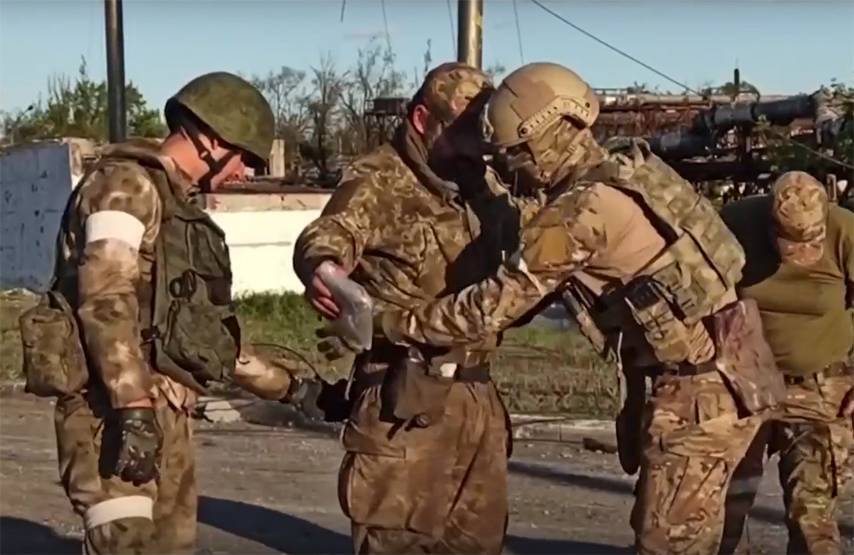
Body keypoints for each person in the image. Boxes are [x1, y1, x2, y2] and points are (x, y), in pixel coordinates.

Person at [373, 62, 785, 554]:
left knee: (668, 545)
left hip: (697, 398)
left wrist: (391, 323)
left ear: (538, 141)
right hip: (742, 372)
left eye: (514, 154)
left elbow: (491, 306)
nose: (510, 168)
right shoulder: (634, 167)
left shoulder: (579, 213)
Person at [19, 72, 316, 555]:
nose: (246, 173)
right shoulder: (124, 187)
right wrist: (133, 409)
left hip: (164, 416)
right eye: (245, 157)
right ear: (213, 139)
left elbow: (200, 338)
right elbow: (106, 298)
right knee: (128, 547)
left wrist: (292, 388)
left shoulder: (177, 210)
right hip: (109, 416)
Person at [293, 62, 537, 554]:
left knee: (478, 545)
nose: (476, 146)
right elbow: (327, 236)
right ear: (422, 120)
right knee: (397, 542)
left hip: (476, 398)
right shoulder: (380, 179)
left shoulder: (483, 186)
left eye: (482, 133)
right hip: (403, 400)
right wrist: (324, 270)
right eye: (463, 132)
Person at [718, 171, 854, 555]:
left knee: (812, 514)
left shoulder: (845, 231)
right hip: (744, 383)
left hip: (820, 386)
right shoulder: (736, 222)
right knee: (724, 502)